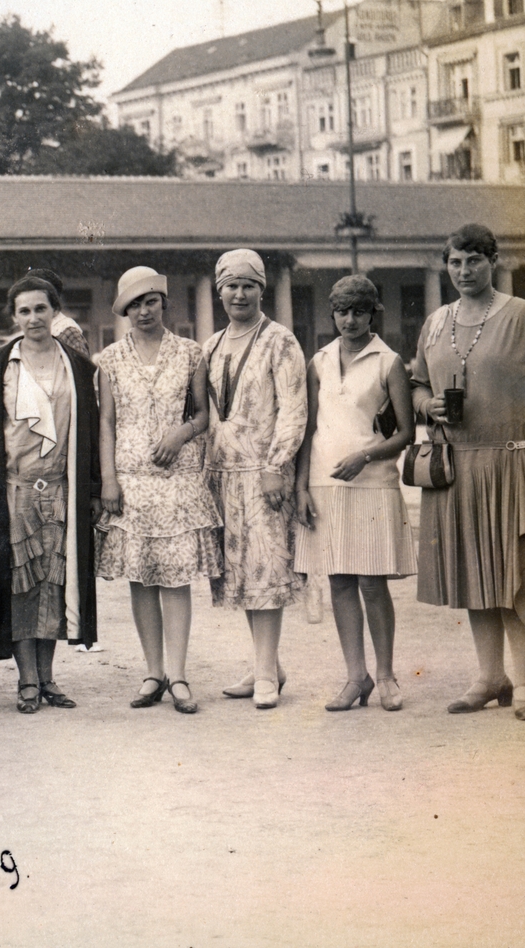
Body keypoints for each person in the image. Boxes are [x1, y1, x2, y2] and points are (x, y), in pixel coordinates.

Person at [411, 224, 525, 721]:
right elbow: (418, 386)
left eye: (473, 261)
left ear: (492, 261)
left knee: (517, 578)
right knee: (475, 574)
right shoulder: (435, 321)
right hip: (456, 465)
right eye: (455, 262)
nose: (463, 271)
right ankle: (490, 678)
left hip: (513, 460)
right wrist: (431, 407)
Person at [0, 276, 100, 713]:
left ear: (54, 311)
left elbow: (92, 434)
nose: (33, 318)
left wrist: (93, 489)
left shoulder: (77, 365)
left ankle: (49, 678)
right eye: (24, 310)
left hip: (61, 489)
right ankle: (26, 680)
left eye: (41, 309)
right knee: (19, 585)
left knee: (55, 586)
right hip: (13, 490)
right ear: (15, 316)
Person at [95, 267, 219, 715]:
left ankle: (180, 674)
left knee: (176, 577)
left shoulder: (190, 354)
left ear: (164, 304)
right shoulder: (108, 359)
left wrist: (181, 433)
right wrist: (109, 478)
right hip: (130, 481)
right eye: (134, 305)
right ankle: (153, 671)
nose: (144, 311)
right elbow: (106, 422)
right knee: (141, 578)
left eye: (151, 301)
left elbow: (204, 414)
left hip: (176, 480)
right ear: (124, 311)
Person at [294, 275, 417, 712]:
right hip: (325, 486)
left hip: (372, 485)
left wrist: (364, 457)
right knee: (340, 581)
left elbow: (404, 433)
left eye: (359, 311)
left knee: (372, 581)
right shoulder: (319, 361)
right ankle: (355, 677)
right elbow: (307, 431)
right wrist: (301, 487)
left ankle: (385, 675)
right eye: (343, 311)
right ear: (333, 314)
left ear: (372, 313)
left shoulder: (389, 361)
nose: (350, 320)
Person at [204, 249, 308, 709]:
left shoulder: (280, 340)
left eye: (249, 285)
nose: (239, 293)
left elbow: (294, 409)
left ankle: (266, 672)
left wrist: (276, 465)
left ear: (262, 289)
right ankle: (269, 664)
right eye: (231, 285)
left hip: (263, 476)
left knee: (266, 572)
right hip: (222, 476)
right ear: (219, 289)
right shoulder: (210, 345)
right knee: (242, 576)